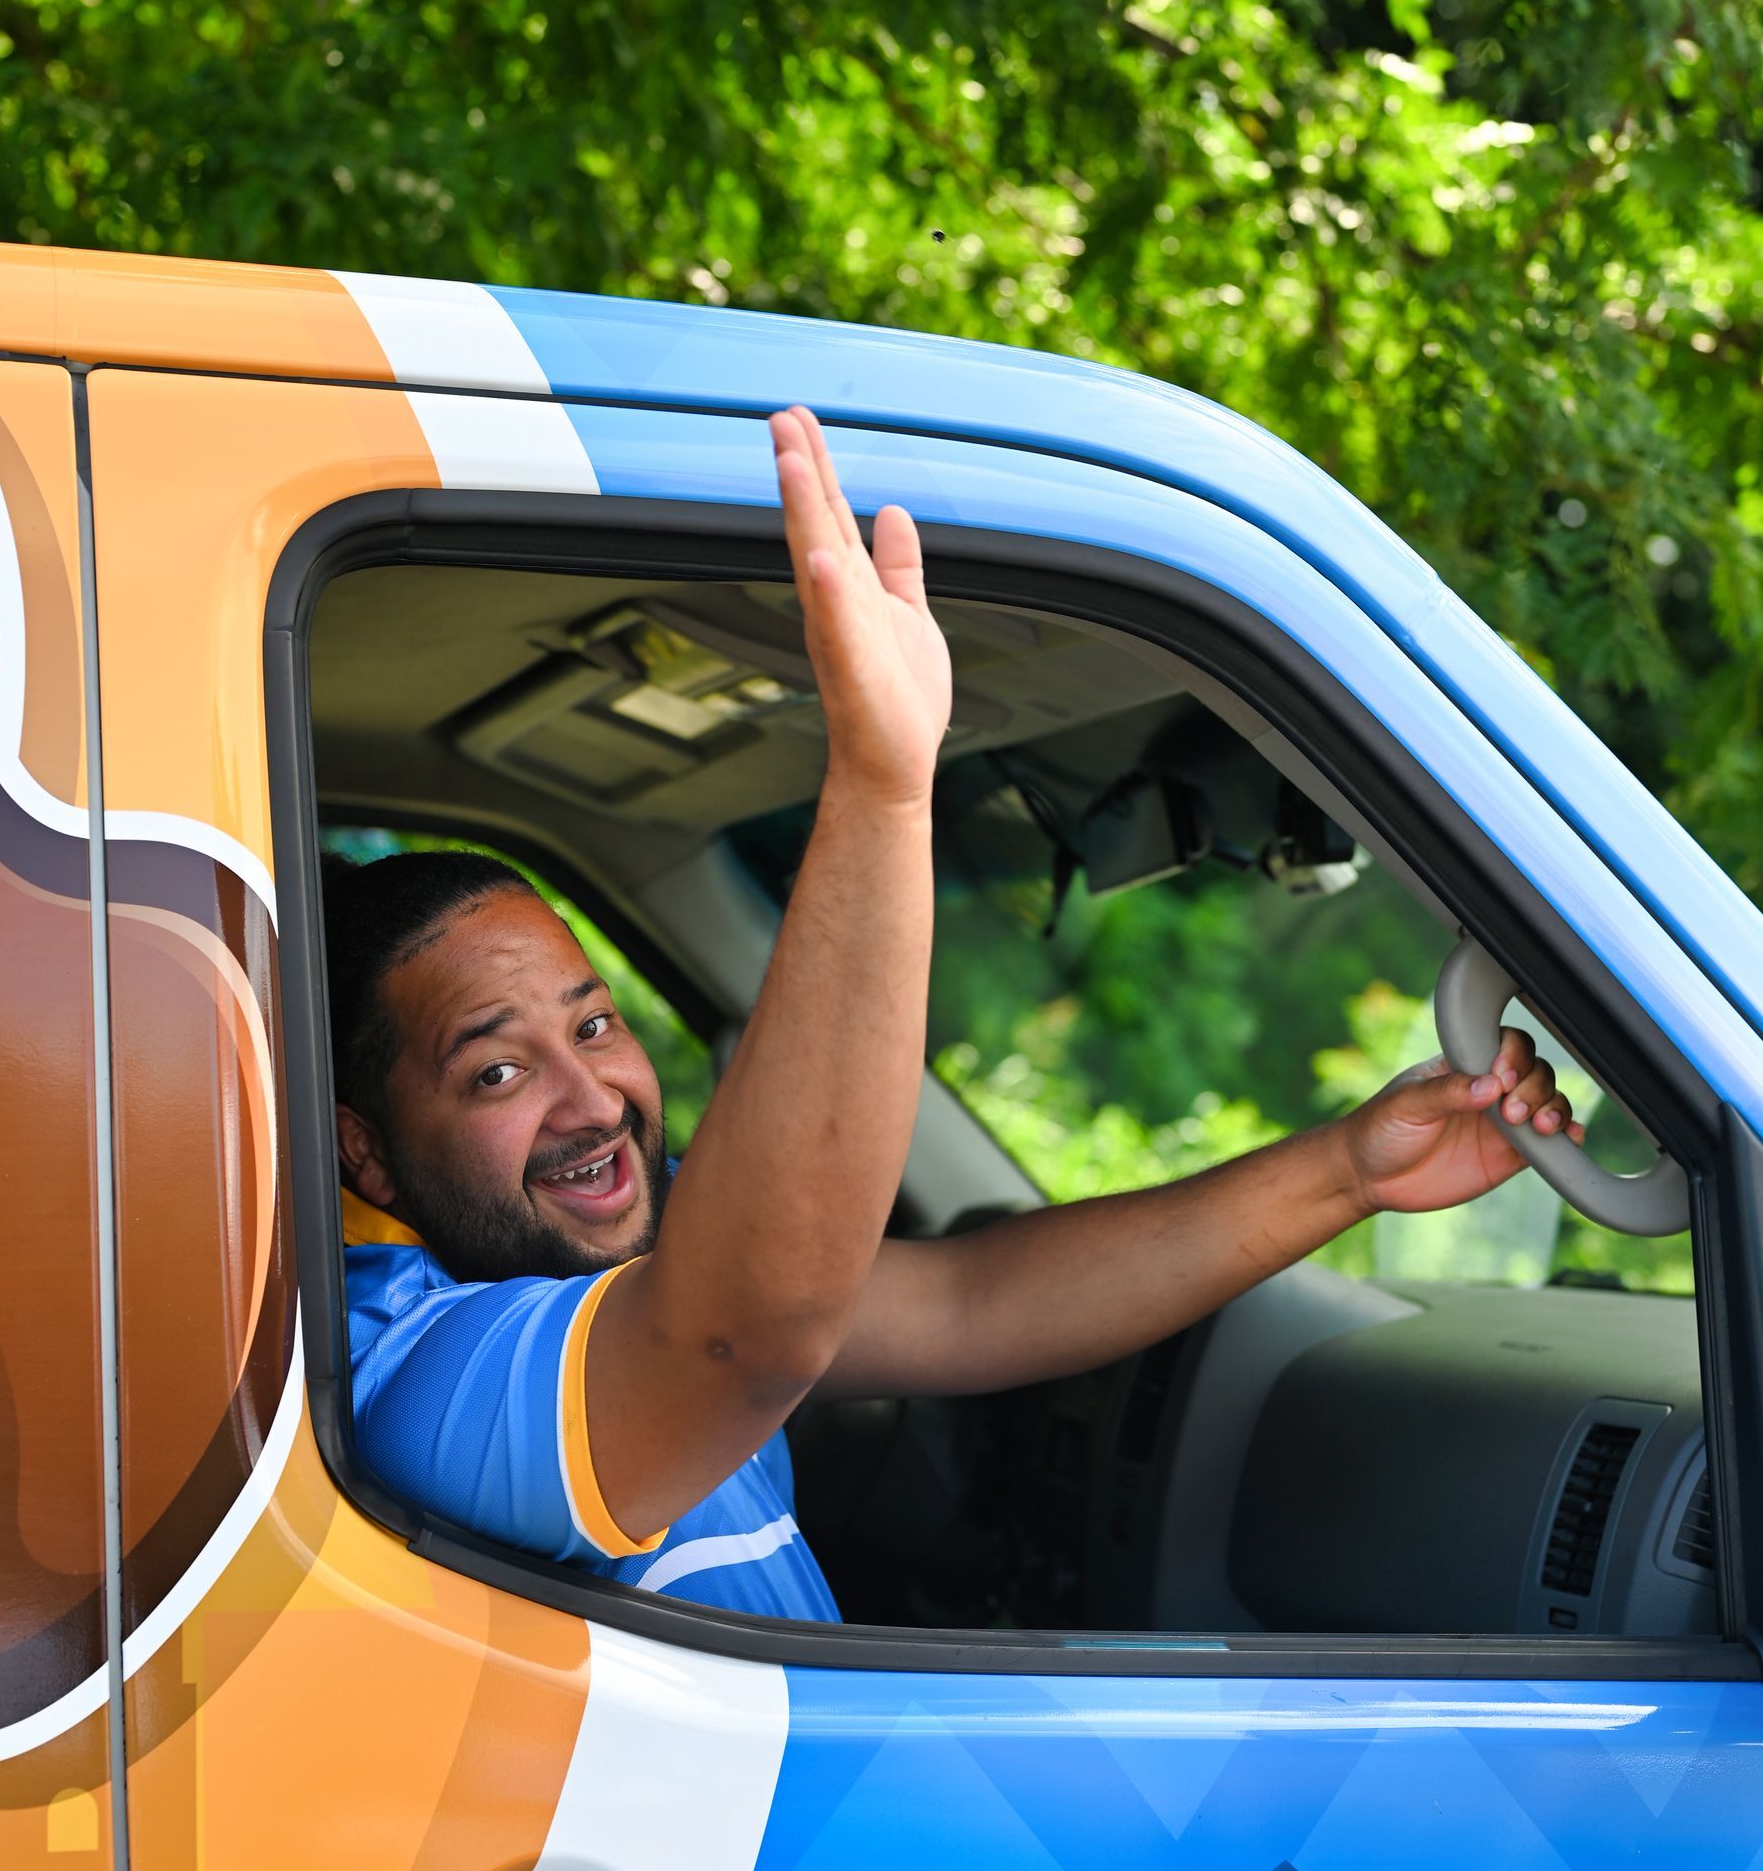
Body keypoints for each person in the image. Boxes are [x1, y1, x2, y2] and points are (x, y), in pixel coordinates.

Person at [331, 409, 1576, 1621]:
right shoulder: (400, 1375)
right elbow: (741, 1337)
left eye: (593, 1025)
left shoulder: (613, 1254)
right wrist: (881, 782)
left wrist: (1352, 1169)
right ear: (365, 1151)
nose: (592, 1101)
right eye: (496, 1074)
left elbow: (971, 1303)